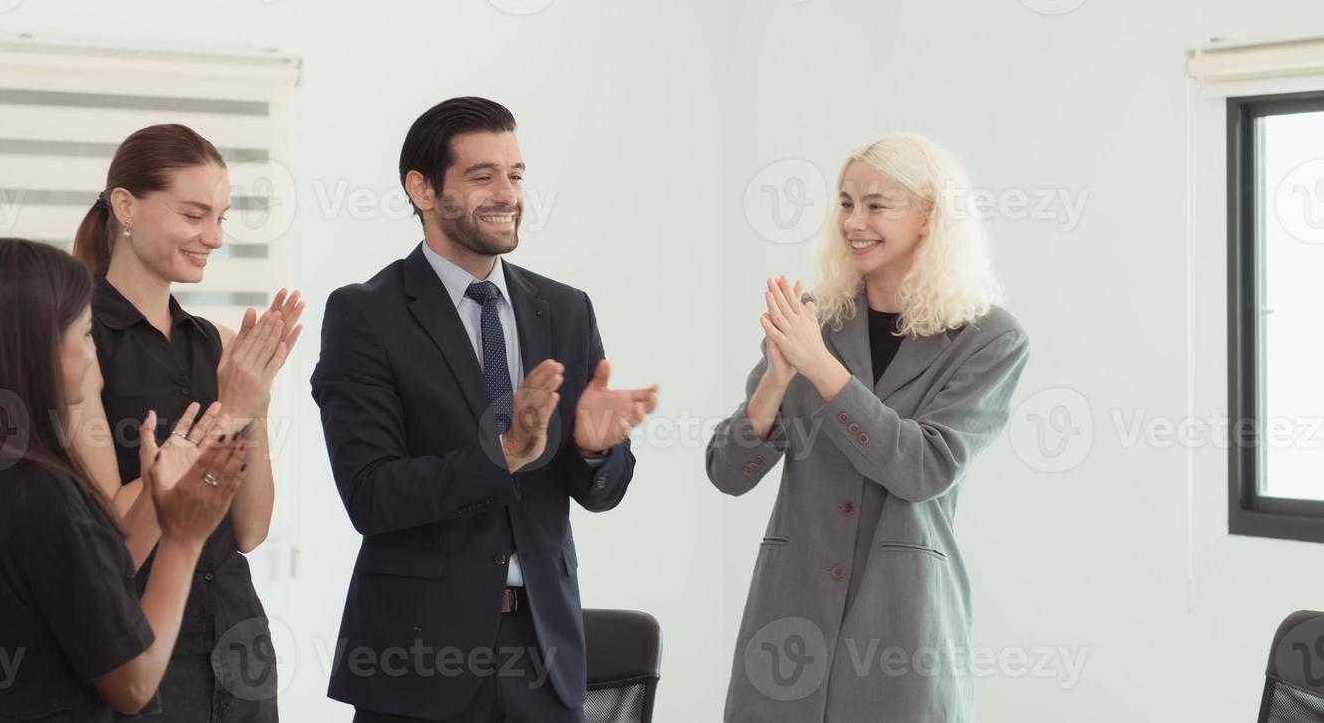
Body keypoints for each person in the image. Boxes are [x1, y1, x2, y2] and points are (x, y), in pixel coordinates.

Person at [312, 96, 659, 722]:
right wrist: (500, 455)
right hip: (416, 661)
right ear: (422, 189)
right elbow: (370, 495)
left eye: (516, 174)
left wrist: (593, 448)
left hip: (544, 658)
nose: (508, 193)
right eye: (482, 176)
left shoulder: (566, 309)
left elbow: (601, 493)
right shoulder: (366, 315)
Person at [707, 133, 1032, 723]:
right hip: (788, 617)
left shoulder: (989, 338)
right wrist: (776, 381)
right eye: (845, 201)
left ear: (929, 215)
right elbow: (728, 473)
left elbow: (922, 467)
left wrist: (820, 367)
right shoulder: (814, 318)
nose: (854, 221)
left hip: (902, 620)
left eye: (876, 204)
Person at [0, 238, 248, 722]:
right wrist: (185, 539)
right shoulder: (38, 491)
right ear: (37, 348)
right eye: (84, 334)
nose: (92, 354)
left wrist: (155, 504)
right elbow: (135, 683)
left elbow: (85, 586)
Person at [70, 123, 304, 722]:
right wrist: (227, 413)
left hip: (241, 644)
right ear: (125, 205)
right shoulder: (76, 346)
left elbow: (249, 531)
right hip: (140, 649)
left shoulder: (221, 346)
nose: (214, 237)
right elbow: (109, 540)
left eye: (222, 218)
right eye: (195, 215)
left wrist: (252, 407)